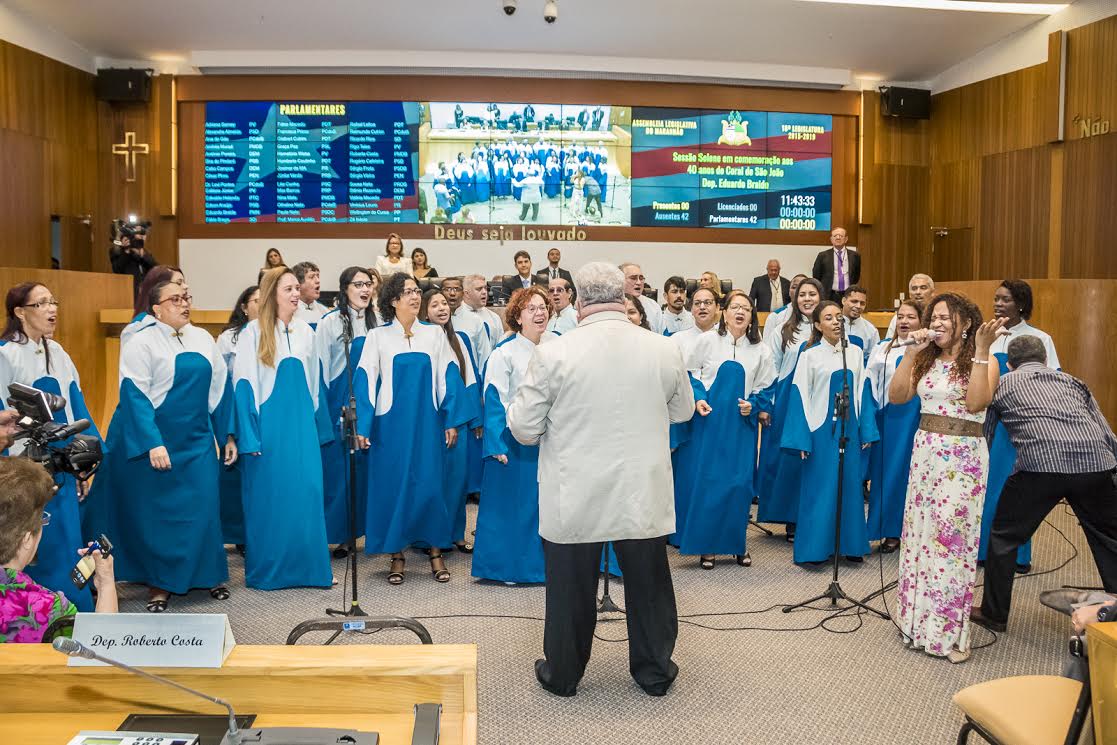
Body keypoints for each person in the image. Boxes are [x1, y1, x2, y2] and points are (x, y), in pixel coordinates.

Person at [506, 262, 695, 697]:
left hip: (575, 490)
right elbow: (682, 412)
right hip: (640, 489)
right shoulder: (662, 349)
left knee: (570, 589)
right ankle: (654, 672)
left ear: (579, 301)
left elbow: (523, 429)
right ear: (622, 296)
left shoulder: (553, 352)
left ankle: (565, 674)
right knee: (649, 586)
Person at [97, 280, 235, 612]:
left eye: (186, 297)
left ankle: (208, 575)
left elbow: (220, 391)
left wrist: (226, 435)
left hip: (198, 441)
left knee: (203, 507)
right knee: (161, 515)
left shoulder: (202, 338)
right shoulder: (140, 342)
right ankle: (160, 584)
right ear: (156, 308)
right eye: (175, 299)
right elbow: (134, 397)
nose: (184, 303)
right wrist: (152, 443)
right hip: (161, 442)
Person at [969, 335, 1117, 633]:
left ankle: (994, 614)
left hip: (1040, 467)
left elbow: (984, 432)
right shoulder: (1074, 382)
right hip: (1095, 465)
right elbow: (1106, 433)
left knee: (1004, 538)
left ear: (1009, 364)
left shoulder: (1003, 383)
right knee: (1110, 539)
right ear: (1046, 360)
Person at [889, 293, 1004, 664]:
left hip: (962, 458)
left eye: (944, 318)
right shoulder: (927, 359)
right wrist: (910, 353)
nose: (936, 323)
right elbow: (897, 397)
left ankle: (947, 633)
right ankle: (916, 625)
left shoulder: (984, 361)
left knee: (950, 542)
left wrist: (982, 350)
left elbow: (975, 404)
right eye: (933, 317)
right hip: (925, 456)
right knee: (921, 536)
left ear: (966, 323)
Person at [355, 273, 473, 584]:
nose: (414, 296)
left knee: (430, 486)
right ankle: (396, 554)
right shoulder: (377, 338)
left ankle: (435, 551)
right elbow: (365, 380)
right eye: (407, 292)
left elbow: (448, 376)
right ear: (393, 300)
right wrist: (364, 425)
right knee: (395, 486)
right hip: (390, 426)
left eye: (415, 291)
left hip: (427, 424)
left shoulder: (434, 334)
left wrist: (450, 419)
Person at [0, 282, 101, 611]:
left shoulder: (59, 353)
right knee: (31, 546)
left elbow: (77, 409)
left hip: (63, 463)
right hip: (24, 470)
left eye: (53, 302)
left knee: (68, 541)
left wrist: (86, 459)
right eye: (41, 303)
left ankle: (74, 608)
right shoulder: (6, 354)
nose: (51, 309)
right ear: (20, 312)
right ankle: (33, 613)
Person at [233, 267, 333, 590]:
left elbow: (317, 385)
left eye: (296, 288)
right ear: (272, 293)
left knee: (308, 494)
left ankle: (312, 570)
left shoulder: (308, 332)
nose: (295, 294)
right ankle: (269, 572)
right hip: (269, 429)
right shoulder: (251, 333)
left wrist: (318, 429)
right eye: (288, 289)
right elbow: (244, 386)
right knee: (271, 498)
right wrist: (249, 435)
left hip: (302, 426)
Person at [674, 291, 775, 569]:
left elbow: (765, 387)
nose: (740, 312)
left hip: (741, 428)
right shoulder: (706, 341)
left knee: (739, 485)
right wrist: (698, 398)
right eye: (735, 307)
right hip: (710, 423)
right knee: (710, 483)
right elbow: (689, 374)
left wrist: (753, 405)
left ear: (752, 316)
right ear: (725, 312)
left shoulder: (761, 350)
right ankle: (707, 547)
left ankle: (737, 545)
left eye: (746, 308)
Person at [780, 301, 878, 564]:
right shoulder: (809, 355)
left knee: (850, 486)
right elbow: (799, 395)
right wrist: (801, 437)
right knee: (820, 487)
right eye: (829, 317)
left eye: (839, 317)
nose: (836, 321)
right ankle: (814, 549)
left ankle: (850, 544)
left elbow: (863, 392)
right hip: (820, 430)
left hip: (850, 428)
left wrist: (866, 430)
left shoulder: (855, 353)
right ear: (817, 325)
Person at [472, 287, 554, 584]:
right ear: (518, 316)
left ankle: (545, 567)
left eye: (543, 306)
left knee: (544, 506)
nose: (540, 312)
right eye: (531, 308)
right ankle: (507, 568)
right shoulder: (503, 352)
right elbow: (494, 398)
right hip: (514, 440)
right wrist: (495, 442)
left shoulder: (558, 346)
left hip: (552, 437)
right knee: (514, 507)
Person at [980, 279, 1061, 573]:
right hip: (986, 421)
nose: (998, 304)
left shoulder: (1040, 338)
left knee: (1012, 489)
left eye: (1005, 300)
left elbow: (1051, 381)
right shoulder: (988, 336)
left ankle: (1015, 555)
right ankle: (982, 551)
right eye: (996, 299)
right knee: (985, 485)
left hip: (1017, 426)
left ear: (1021, 304)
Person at [0, 457, 117, 643]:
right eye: (42, 520)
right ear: (27, 539)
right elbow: (102, 650)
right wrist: (106, 583)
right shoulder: (49, 608)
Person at [315, 268, 377, 550]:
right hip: (339, 401)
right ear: (344, 288)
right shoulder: (329, 322)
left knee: (366, 471)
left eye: (368, 284)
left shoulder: (379, 322)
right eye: (358, 284)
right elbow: (321, 370)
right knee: (339, 471)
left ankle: (360, 532)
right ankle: (336, 534)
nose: (365, 289)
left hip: (370, 402)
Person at [755, 278, 823, 536]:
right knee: (791, 458)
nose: (807, 299)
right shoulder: (783, 330)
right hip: (788, 398)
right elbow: (770, 370)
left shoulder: (830, 327)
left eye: (813, 294)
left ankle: (815, 513)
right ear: (795, 299)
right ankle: (791, 516)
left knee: (817, 457)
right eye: (803, 294)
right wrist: (767, 405)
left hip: (820, 398)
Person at [419, 288, 482, 555]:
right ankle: (430, 537)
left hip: (461, 419)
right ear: (425, 311)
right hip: (433, 422)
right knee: (434, 481)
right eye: (434, 305)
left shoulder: (461, 339)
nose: (442, 308)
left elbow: (470, 380)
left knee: (457, 481)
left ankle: (456, 533)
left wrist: (475, 419)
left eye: (444, 303)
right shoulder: (421, 340)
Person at [865, 300, 924, 553]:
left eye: (911, 317)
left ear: (921, 322)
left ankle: (916, 532)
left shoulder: (929, 350)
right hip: (889, 419)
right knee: (887, 476)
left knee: (917, 478)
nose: (904, 321)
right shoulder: (881, 349)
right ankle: (889, 531)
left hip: (919, 419)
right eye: (900, 316)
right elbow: (868, 386)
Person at [214, 285, 259, 548]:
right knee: (232, 472)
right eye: (255, 301)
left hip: (256, 406)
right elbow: (220, 378)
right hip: (232, 406)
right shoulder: (228, 337)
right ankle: (236, 535)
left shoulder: (271, 332)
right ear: (243, 307)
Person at [811, 226, 861, 303]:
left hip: (847, 294)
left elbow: (856, 276)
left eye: (841, 236)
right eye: (835, 236)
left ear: (846, 239)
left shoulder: (854, 256)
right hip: (829, 294)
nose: (838, 238)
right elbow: (816, 275)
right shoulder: (823, 255)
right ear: (831, 239)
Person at [109, 232, 157, 299]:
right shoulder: (117, 251)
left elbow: (155, 267)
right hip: (128, 292)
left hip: (145, 292)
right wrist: (127, 251)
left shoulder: (144, 251)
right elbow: (117, 269)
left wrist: (142, 255)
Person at [885, 274, 934, 338]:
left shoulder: (937, 317)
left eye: (923, 288)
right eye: (914, 288)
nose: (918, 292)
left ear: (932, 292)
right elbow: (890, 343)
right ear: (910, 294)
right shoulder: (899, 318)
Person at [621, 263, 664, 334]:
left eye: (641, 278)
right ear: (621, 280)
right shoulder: (613, 303)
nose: (639, 282)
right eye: (633, 278)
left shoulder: (653, 306)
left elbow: (660, 335)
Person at [840, 285, 879, 362]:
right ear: (844, 301)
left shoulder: (871, 330)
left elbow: (874, 360)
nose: (858, 306)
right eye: (854, 301)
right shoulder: (832, 324)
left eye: (862, 303)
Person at [763, 273, 808, 339]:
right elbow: (767, 346)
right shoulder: (774, 316)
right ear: (789, 292)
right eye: (794, 287)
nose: (798, 290)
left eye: (802, 287)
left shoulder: (818, 315)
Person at [291, 261, 328, 328]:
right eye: (311, 277)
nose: (318, 281)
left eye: (318, 276)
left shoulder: (325, 311)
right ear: (298, 284)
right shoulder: (290, 312)